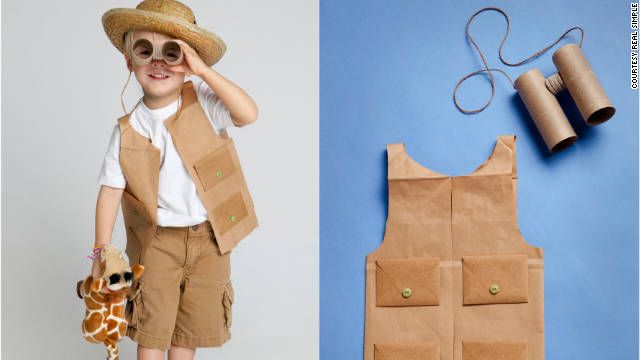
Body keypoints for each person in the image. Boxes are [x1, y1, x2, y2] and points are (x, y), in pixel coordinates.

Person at [93, 1, 258, 359]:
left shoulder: (204, 103)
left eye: (171, 52)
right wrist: (101, 252)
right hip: (158, 245)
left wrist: (201, 70)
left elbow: (248, 113)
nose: (158, 62)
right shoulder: (127, 130)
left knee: (187, 337)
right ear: (129, 61)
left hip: (209, 239)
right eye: (144, 50)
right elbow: (109, 192)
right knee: (151, 335)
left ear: (186, 63)